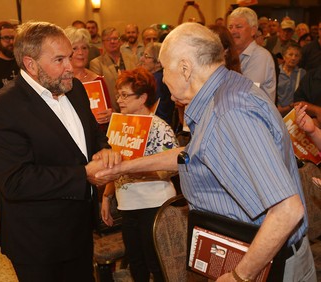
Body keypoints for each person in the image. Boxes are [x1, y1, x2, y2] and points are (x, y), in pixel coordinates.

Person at [96, 23, 317, 282]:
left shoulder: (230, 111)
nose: (163, 78)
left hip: (266, 266)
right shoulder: (222, 92)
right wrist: (122, 167)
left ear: (185, 68)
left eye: (165, 69)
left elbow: (287, 210)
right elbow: (191, 154)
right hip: (247, 255)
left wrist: (240, 275)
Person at [0, 21, 120, 282]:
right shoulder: (2, 108)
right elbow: (15, 181)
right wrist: (84, 175)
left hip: (79, 229)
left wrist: (103, 151)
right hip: (38, 240)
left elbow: (93, 135)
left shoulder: (75, 89)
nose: (71, 66)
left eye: (70, 56)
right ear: (31, 64)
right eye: (59, 59)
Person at [101, 67, 179, 282]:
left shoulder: (159, 127)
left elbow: (172, 168)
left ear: (143, 97)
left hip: (154, 204)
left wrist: (136, 169)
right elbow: (114, 165)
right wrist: (107, 196)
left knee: (156, 263)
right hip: (127, 204)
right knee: (136, 263)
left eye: (125, 95)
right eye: (118, 95)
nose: (120, 100)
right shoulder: (119, 126)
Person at [65, 27, 112, 130]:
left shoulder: (98, 80)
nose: (81, 52)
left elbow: (109, 110)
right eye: (75, 48)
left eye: (84, 48)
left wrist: (109, 115)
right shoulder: (60, 81)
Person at [228, 7, 277, 103]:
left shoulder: (261, 56)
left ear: (253, 30)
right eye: (230, 27)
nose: (233, 31)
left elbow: (243, 93)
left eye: (238, 27)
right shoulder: (229, 54)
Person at [90, 27, 137, 112]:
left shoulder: (132, 58)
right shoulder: (96, 63)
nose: (112, 42)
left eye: (115, 38)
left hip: (133, 108)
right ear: (103, 43)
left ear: (120, 41)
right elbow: (99, 92)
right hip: (112, 110)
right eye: (108, 39)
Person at [139, 42, 175, 126]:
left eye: (147, 56)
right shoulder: (162, 76)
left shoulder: (157, 80)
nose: (142, 59)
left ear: (159, 62)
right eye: (143, 55)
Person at [277, 43, 306, 116]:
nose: (293, 58)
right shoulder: (276, 71)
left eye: (296, 56)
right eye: (290, 54)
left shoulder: (302, 73)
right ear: (284, 56)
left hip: (294, 113)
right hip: (276, 111)